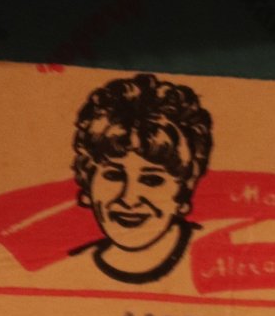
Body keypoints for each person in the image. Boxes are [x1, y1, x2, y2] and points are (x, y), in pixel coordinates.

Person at [71, 71, 213, 285]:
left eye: (151, 180)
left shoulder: (215, 255)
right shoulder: (65, 272)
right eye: (113, 175)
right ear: (88, 180)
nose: (129, 199)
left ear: (183, 188)